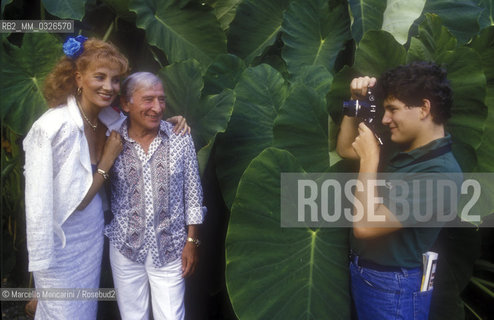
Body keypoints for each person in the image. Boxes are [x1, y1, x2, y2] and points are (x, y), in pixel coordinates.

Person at [23, 36, 188, 320]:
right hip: (60, 239)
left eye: (114, 80)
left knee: (83, 310)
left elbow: (144, 120)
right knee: (64, 312)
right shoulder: (51, 129)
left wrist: (169, 122)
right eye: (99, 77)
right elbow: (66, 203)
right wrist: (107, 161)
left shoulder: (111, 121)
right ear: (78, 78)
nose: (108, 86)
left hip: (91, 234)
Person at [336, 62, 462, 319]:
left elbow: (366, 226)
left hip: (393, 287)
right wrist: (354, 101)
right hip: (369, 277)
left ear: (424, 108)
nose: (385, 119)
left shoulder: (441, 173)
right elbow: (346, 149)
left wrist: (370, 158)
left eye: (393, 110)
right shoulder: (407, 147)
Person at [104, 72, 206, 320]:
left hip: (170, 246)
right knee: (132, 316)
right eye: (148, 99)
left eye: (161, 99)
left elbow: (193, 195)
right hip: (125, 245)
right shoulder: (112, 138)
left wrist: (192, 242)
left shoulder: (180, 137)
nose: (157, 107)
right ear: (126, 104)